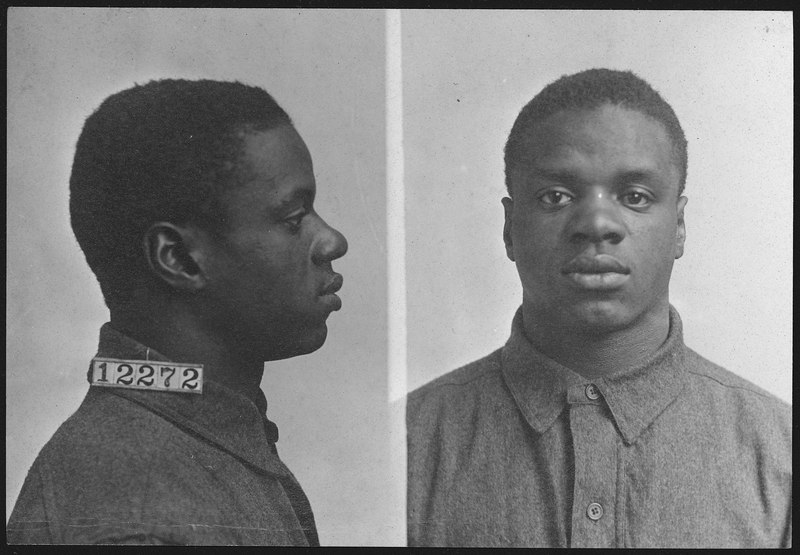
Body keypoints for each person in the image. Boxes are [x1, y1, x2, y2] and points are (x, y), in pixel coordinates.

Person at [406, 69, 791, 548]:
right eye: (556, 196)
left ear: (680, 228)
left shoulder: (781, 452)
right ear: (509, 228)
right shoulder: (409, 439)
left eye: (635, 197)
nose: (597, 224)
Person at [7, 79, 348, 545]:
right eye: (293, 219)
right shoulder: (131, 511)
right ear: (179, 258)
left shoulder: (198, 433)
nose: (332, 240)